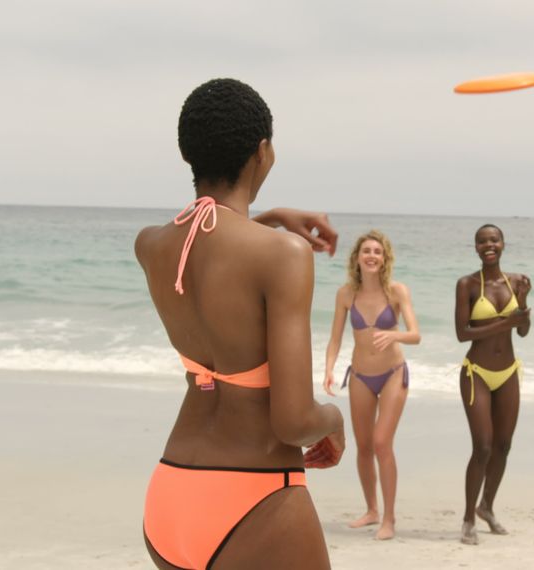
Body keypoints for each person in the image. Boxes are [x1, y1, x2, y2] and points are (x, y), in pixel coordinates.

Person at [136, 78, 345, 570]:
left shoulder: (150, 246)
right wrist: (337, 423)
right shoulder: (284, 256)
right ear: (263, 151)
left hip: (170, 497)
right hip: (256, 495)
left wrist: (266, 217)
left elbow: (208, 241)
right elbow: (293, 422)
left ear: (188, 154)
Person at [323, 230, 420, 540]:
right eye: (367, 250)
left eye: (378, 251)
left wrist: (395, 334)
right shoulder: (345, 294)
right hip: (361, 376)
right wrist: (328, 370)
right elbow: (335, 339)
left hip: (393, 372)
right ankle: (371, 510)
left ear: (385, 258)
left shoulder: (397, 292)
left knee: (381, 443)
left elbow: (415, 334)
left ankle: (389, 519)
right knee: (363, 446)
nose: (372, 255)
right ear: (357, 258)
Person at [453, 224, 531, 545]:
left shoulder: (516, 282)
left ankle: (487, 506)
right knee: (483, 446)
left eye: (494, 240)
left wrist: (522, 303)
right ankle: (469, 517)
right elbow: (462, 333)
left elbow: (523, 330)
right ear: (475, 247)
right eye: (483, 241)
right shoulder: (467, 284)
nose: (489, 245)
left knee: (504, 446)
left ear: (502, 244)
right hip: (477, 373)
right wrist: (505, 322)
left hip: (509, 372)